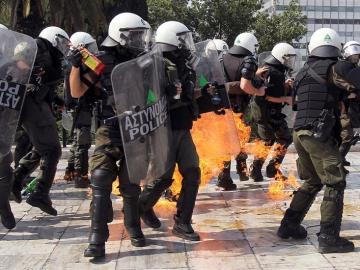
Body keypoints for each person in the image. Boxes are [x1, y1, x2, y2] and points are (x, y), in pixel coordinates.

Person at [67, 13, 151, 258]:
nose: (139, 39)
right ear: (120, 34)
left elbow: (153, 92)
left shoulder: (144, 60)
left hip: (136, 125)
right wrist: (75, 66)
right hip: (109, 126)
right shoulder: (100, 62)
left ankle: (133, 225)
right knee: (101, 177)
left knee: (131, 180)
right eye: (134, 34)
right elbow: (76, 91)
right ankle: (97, 237)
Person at [277, 28, 360, 253]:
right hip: (319, 134)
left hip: (301, 133)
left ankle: (289, 225)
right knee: (336, 180)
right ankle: (328, 237)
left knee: (313, 181)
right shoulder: (338, 67)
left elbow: (296, 104)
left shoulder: (303, 71)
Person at [11, 26, 68, 216]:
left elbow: (46, 85)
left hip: (34, 104)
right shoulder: (37, 47)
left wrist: (61, 101)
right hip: (32, 104)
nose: (62, 47)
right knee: (52, 150)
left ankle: (16, 180)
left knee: (41, 147)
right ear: (52, 38)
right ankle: (40, 193)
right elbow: (19, 61)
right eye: (60, 42)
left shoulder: (47, 54)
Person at [216, 32, 267, 190]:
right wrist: (259, 91)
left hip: (221, 106)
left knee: (225, 142)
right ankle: (232, 174)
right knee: (239, 140)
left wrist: (255, 75)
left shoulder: (221, 58)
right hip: (238, 109)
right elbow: (245, 85)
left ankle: (227, 175)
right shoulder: (248, 60)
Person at [249, 43, 295, 182]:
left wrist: (285, 86)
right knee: (285, 138)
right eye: (288, 58)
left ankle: (257, 170)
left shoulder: (268, 67)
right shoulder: (275, 73)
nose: (290, 61)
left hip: (264, 113)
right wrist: (286, 98)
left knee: (267, 141)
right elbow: (268, 96)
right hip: (268, 113)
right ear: (282, 57)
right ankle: (271, 169)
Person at [63, 32, 98, 188]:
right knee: (82, 143)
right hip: (81, 107)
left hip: (78, 108)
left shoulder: (71, 63)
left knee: (77, 142)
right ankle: (81, 177)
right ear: (82, 47)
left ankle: (70, 172)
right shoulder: (78, 64)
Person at [337, 41, 360, 167]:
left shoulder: (355, 68)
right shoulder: (341, 67)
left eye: (357, 55)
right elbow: (338, 86)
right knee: (347, 135)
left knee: (350, 134)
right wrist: (347, 95)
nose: (355, 58)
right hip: (343, 106)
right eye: (353, 55)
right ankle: (339, 158)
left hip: (353, 106)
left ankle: (342, 157)